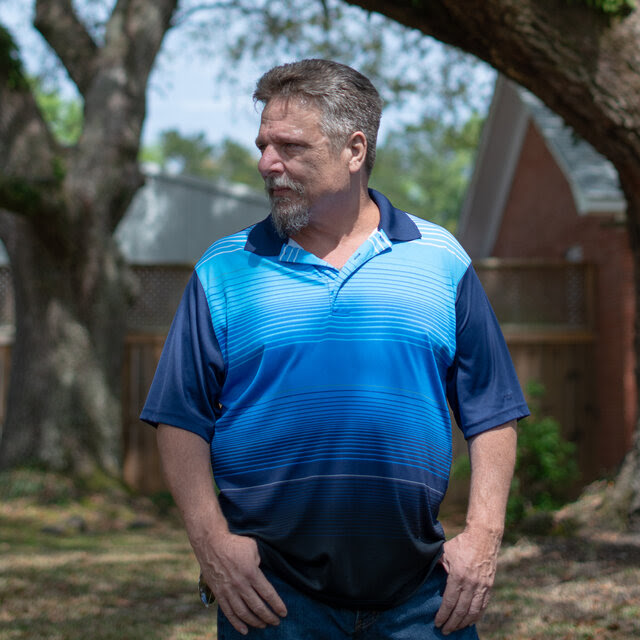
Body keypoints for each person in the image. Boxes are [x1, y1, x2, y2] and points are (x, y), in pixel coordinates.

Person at [141, 58, 529, 639]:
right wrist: (213, 544)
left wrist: (484, 536)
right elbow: (179, 417)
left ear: (355, 150)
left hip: (424, 594)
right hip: (270, 598)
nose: (267, 163)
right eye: (263, 144)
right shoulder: (224, 269)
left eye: (290, 147)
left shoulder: (440, 259)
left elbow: (492, 410)